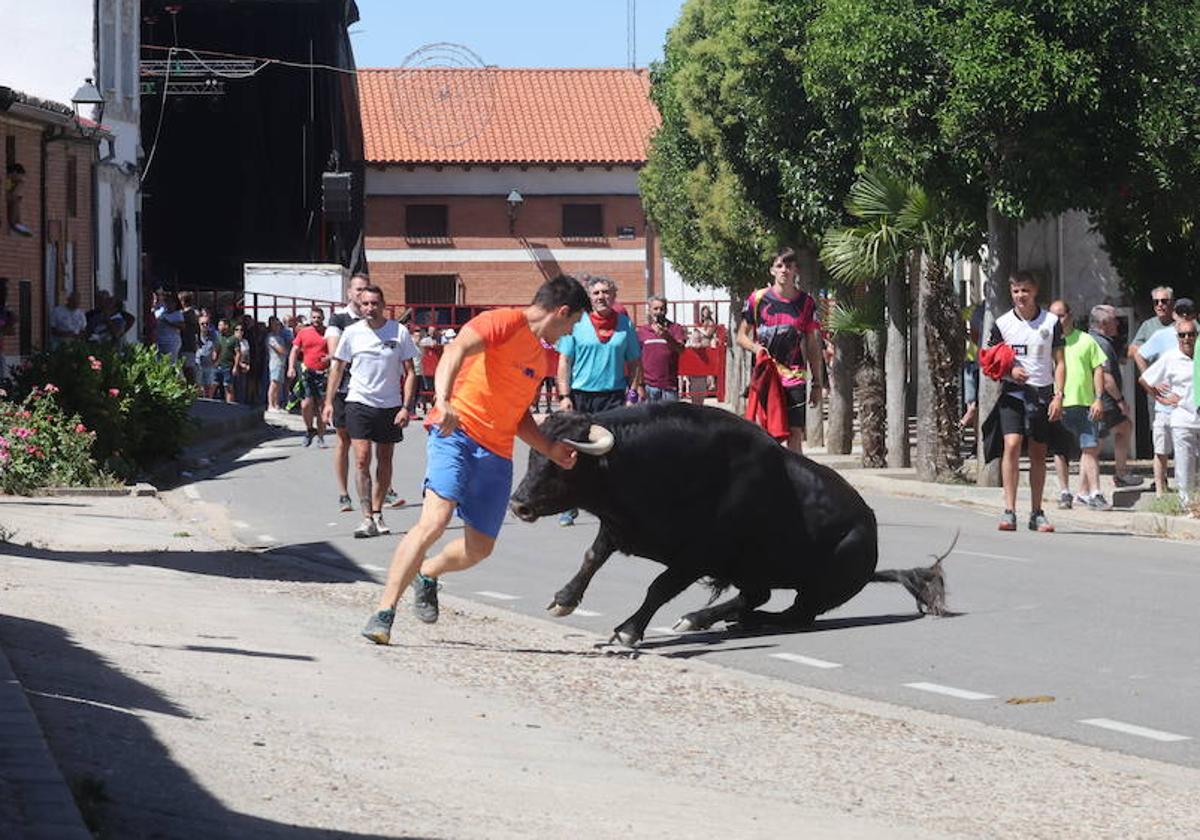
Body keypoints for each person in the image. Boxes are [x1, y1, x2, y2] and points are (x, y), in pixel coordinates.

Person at [361, 275, 589, 644]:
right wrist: (443, 400)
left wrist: (549, 448)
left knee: (479, 548)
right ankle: (383, 614)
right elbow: (455, 351)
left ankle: (428, 573)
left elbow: (518, 415)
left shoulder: (539, 358)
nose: (570, 333)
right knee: (434, 521)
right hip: (456, 433)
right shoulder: (503, 322)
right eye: (573, 323)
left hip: (496, 452)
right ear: (562, 312)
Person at [323, 285, 418, 539]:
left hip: (389, 406)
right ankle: (366, 518)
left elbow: (410, 372)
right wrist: (329, 402)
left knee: (384, 459)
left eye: (374, 303)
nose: (369, 308)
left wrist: (406, 407)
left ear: (383, 304)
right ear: (359, 305)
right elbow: (337, 369)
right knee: (362, 458)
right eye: (365, 303)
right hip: (358, 402)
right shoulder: (352, 333)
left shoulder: (399, 332)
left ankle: (378, 512)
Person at [554, 275, 641, 525]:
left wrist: (632, 395)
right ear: (590, 297)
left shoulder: (625, 324)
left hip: (613, 398)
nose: (602, 297)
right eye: (597, 293)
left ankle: (611, 506)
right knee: (574, 451)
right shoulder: (577, 323)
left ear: (614, 296)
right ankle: (569, 505)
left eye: (606, 292)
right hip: (581, 397)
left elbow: (634, 363)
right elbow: (564, 362)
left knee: (612, 453)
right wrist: (565, 396)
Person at [986, 271, 1065, 532]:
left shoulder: (1051, 322)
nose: (1021, 296)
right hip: (1013, 393)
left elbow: (1060, 362)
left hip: (1042, 393)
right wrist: (1010, 372)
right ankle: (1009, 510)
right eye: (1016, 291)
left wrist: (1058, 395)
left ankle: (1036, 511)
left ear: (1035, 292)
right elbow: (988, 361)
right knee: (1012, 444)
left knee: (1038, 452)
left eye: (1025, 291)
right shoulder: (1002, 323)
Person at [735, 246, 825, 454]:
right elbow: (741, 336)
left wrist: (818, 383)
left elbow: (813, 344)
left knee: (794, 433)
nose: (784, 270)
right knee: (766, 432)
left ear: (796, 271)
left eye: (789, 266)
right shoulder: (757, 299)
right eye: (780, 265)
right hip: (766, 377)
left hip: (794, 377)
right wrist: (756, 348)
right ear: (772, 270)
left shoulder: (806, 303)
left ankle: (794, 479)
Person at [1049, 300, 1109, 511]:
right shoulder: (1047, 342)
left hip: (1085, 402)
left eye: (1061, 315)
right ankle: (1065, 491)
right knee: (1061, 450)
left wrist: (1099, 398)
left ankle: (1095, 493)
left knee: (1090, 448)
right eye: (1053, 316)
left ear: (1070, 315)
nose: (1057, 320)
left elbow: (1098, 370)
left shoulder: (1086, 341)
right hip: (1059, 404)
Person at [1135, 297, 1196, 495]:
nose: (1187, 337)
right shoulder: (1164, 339)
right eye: (1180, 311)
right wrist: (1158, 394)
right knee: (1164, 452)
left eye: (1191, 334)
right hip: (1174, 414)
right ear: (1174, 313)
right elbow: (1138, 355)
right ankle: (1166, 493)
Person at [1087, 304, 1141, 488]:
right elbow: (1106, 377)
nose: (1117, 323)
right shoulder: (1101, 344)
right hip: (1104, 402)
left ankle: (1120, 473)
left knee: (1124, 427)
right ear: (1103, 322)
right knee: (1093, 446)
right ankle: (1085, 491)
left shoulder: (1093, 340)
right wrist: (1120, 401)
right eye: (1114, 319)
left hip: (1101, 402)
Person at [288, 307, 330, 447]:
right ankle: (309, 430)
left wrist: (329, 358)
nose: (316, 320)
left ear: (323, 318)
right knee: (306, 404)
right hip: (308, 372)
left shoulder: (329, 332)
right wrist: (291, 367)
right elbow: (294, 350)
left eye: (319, 317)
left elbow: (337, 351)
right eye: (314, 317)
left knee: (321, 406)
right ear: (310, 318)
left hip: (324, 373)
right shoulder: (304, 333)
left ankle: (321, 436)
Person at [635, 295, 686, 402]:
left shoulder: (676, 328)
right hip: (649, 386)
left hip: (669, 385)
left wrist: (667, 336)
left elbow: (681, 350)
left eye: (662, 309)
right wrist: (639, 385)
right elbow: (636, 359)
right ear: (649, 311)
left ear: (666, 310)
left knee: (670, 418)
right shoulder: (642, 331)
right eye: (655, 309)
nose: (659, 312)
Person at [212, 318, 239, 403]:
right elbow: (216, 350)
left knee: (228, 387)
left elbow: (238, 353)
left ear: (226, 326)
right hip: (217, 366)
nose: (219, 327)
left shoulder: (234, 339)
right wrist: (214, 359)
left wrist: (235, 366)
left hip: (227, 366)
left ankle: (230, 405)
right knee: (213, 385)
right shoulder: (219, 337)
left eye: (221, 325)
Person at [265, 316, 289, 412]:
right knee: (274, 384)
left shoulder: (280, 337)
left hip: (281, 363)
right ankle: (270, 405)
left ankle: (276, 404)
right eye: (275, 324)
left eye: (278, 324)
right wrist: (285, 350)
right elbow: (281, 350)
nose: (278, 326)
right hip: (275, 363)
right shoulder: (271, 337)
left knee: (279, 385)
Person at [177, 292, 201, 386]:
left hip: (187, 344)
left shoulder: (189, 313)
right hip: (184, 344)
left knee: (188, 368)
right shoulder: (189, 313)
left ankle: (192, 389)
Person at [195, 311, 218, 398]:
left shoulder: (213, 336)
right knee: (197, 387)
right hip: (198, 365)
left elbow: (218, 348)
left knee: (208, 388)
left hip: (209, 365)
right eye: (202, 324)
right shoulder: (195, 336)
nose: (205, 326)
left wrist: (216, 360)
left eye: (207, 324)